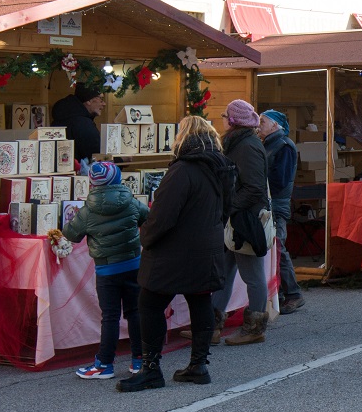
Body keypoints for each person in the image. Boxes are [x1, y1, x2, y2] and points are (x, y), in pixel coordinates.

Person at [117, 117, 233, 392]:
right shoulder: (223, 168)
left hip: (175, 251)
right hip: (208, 246)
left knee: (150, 303)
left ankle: (151, 368)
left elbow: (163, 216)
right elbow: (226, 208)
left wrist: (146, 236)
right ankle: (198, 365)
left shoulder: (182, 170)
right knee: (200, 299)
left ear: (183, 138)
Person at [63, 161, 148, 380]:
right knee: (135, 312)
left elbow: (72, 235)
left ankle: (104, 364)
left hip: (106, 269)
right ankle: (139, 360)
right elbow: (148, 218)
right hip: (133, 263)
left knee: (110, 316)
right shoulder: (130, 201)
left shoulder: (88, 209)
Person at [217, 99, 272, 346]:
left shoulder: (247, 146)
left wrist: (228, 206)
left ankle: (254, 328)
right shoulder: (240, 142)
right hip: (236, 217)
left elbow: (254, 187)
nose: (224, 121)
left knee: (252, 274)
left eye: (226, 116)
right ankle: (212, 324)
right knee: (224, 270)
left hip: (246, 219)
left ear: (233, 121)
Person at [259, 109, 307, 314]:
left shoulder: (284, 146)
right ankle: (278, 292)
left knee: (278, 248)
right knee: (274, 249)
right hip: (270, 203)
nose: (258, 125)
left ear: (275, 126)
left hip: (276, 205)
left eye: (262, 121)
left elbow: (280, 181)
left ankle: (293, 294)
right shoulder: (268, 145)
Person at [52, 83, 105, 164]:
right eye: (101, 99)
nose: (104, 104)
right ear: (89, 101)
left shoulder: (62, 117)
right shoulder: (83, 124)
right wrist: (121, 160)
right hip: (81, 174)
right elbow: (96, 155)